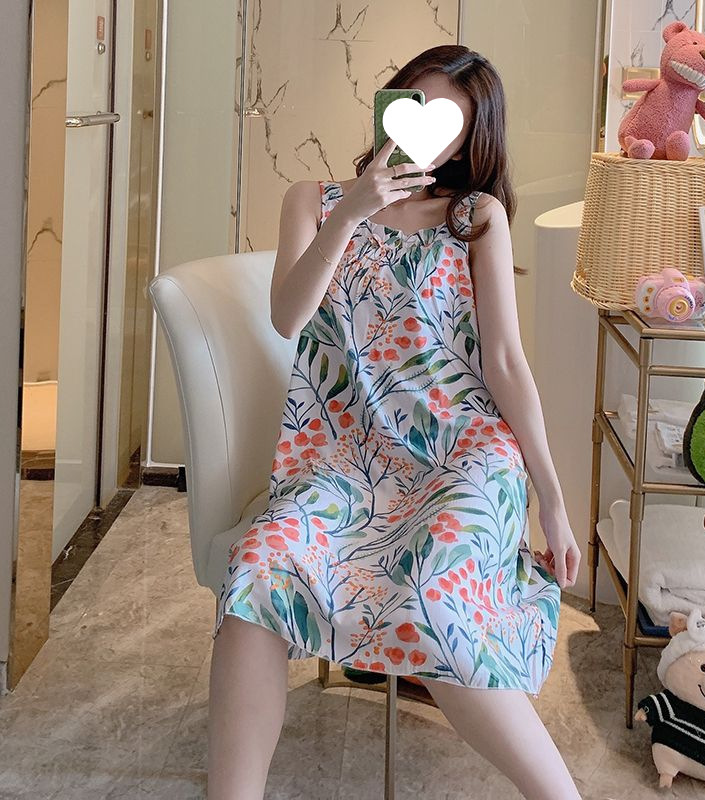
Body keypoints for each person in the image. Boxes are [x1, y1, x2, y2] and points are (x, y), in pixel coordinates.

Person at [207, 44, 582, 800]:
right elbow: (288, 317)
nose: (422, 130)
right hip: (344, 457)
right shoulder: (312, 200)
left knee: (435, 593)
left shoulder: (476, 217)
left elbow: (506, 362)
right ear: (388, 105)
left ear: (467, 144)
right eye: (414, 103)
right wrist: (351, 210)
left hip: (463, 452)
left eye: (448, 122)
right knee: (257, 571)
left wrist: (552, 495)